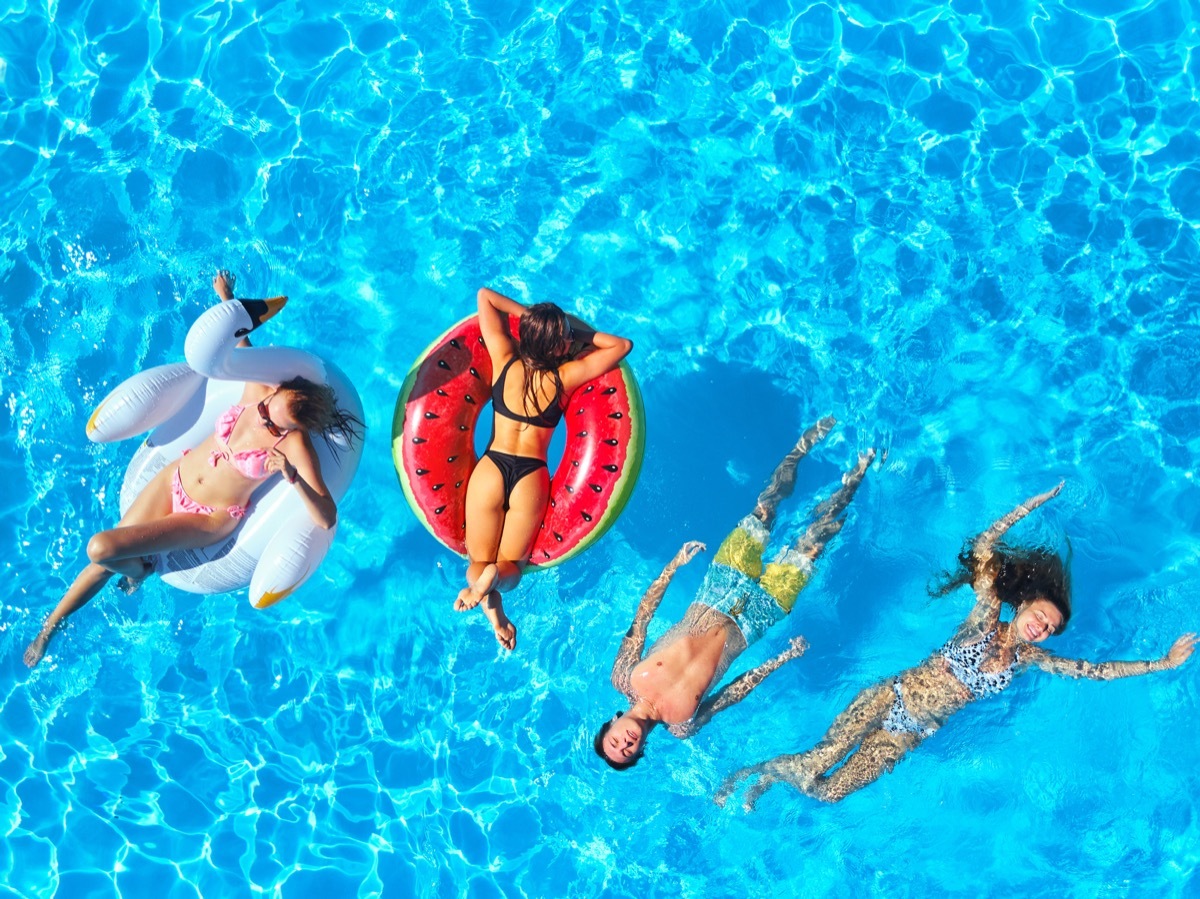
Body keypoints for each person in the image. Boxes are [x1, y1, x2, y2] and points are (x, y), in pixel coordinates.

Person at [715, 483, 1197, 807]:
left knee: (829, 792)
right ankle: (760, 772)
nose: (1043, 629)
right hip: (891, 697)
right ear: (1025, 604)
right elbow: (984, 546)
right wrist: (1031, 505)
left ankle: (775, 774)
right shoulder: (986, 615)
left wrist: (1162, 663)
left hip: (909, 733)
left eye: (1051, 629)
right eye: (1042, 617)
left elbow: (1095, 671)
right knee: (816, 763)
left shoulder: (1028, 659)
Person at [23, 271, 363, 668]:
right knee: (103, 559)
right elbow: (231, 346)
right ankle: (50, 627)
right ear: (275, 392)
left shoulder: (293, 445)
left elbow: (326, 516)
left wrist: (292, 478)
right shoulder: (257, 392)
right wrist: (227, 297)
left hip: (210, 517)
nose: (266, 421)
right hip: (175, 478)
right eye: (269, 411)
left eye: (276, 425)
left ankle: (139, 571)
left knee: (100, 548)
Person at [595, 417, 875, 769]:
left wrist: (673, 566)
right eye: (626, 751)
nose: (624, 743)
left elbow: (642, 616)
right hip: (758, 617)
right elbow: (732, 693)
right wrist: (783, 659)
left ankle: (804, 445)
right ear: (640, 752)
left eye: (615, 741)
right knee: (817, 539)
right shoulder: (683, 725)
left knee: (765, 509)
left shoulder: (624, 676)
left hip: (717, 589)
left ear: (612, 722)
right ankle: (860, 471)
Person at [453, 287, 633, 650]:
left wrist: (533, 321)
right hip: (530, 478)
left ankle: (485, 587)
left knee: (477, 560)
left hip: (491, 468)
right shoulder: (565, 377)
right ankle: (494, 580)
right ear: (555, 347)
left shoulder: (504, 357)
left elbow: (485, 296)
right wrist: (574, 332)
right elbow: (622, 346)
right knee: (512, 570)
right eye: (563, 337)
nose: (568, 340)